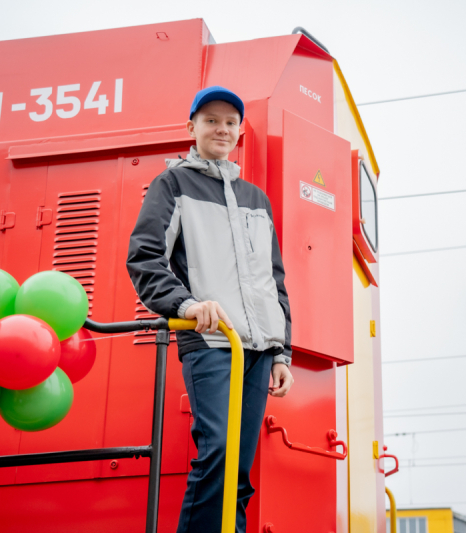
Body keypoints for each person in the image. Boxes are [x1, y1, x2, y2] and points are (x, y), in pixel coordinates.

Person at [126, 86, 294, 533]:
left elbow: (272, 278)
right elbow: (144, 257)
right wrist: (185, 303)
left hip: (257, 350)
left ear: (240, 131)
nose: (222, 128)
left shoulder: (257, 199)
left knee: (237, 467)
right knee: (217, 450)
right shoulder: (173, 184)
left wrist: (282, 354)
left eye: (230, 122)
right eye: (211, 120)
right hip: (212, 341)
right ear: (192, 127)